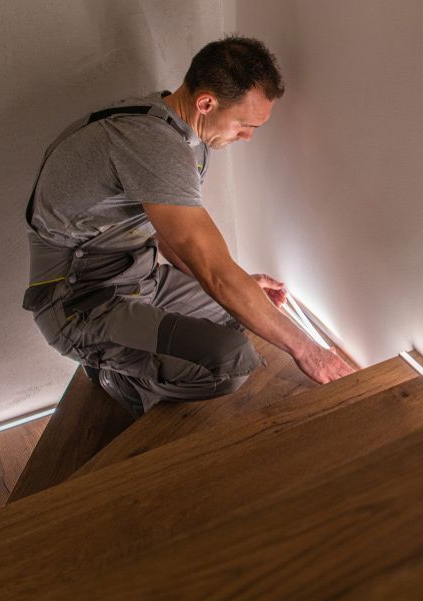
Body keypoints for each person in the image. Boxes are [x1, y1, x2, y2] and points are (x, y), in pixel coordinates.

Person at [22, 35, 354, 418]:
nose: (247, 136)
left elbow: (174, 242)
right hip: (80, 301)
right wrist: (308, 350)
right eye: (245, 125)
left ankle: (134, 350)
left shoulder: (184, 137)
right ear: (206, 102)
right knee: (229, 362)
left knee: (241, 311)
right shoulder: (154, 145)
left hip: (139, 277)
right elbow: (213, 271)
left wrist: (243, 283)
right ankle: (112, 375)